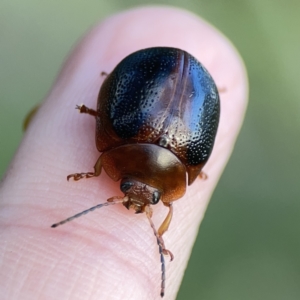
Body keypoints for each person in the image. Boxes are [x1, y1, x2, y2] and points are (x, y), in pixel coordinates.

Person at [0, 6, 247, 300]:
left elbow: (107, 134)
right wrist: (92, 167)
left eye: (128, 188)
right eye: (133, 190)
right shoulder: (164, 155)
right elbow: (107, 142)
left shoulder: (154, 148)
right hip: (179, 77)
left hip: (179, 77)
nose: (135, 201)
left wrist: (96, 119)